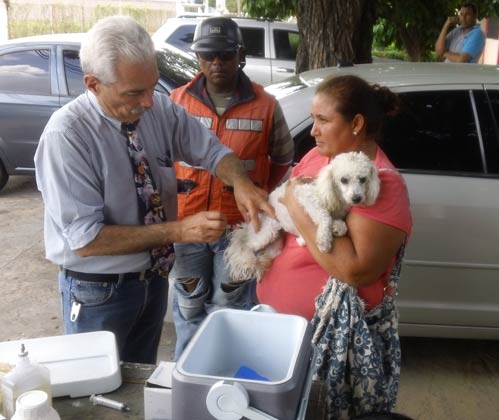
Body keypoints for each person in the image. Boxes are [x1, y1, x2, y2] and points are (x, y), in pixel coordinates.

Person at [34, 15, 273, 365]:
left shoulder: (157, 108)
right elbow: (86, 240)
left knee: (138, 382)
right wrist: (179, 230)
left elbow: (212, 151)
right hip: (98, 290)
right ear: (92, 84)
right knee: (96, 392)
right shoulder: (67, 136)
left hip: (153, 279)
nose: (148, 102)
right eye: (134, 92)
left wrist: (241, 183)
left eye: (151, 86)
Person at [168, 17, 294, 359]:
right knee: (189, 306)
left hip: (240, 228)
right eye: (208, 55)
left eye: (224, 55)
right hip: (187, 227)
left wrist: (260, 193)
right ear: (198, 57)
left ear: (240, 55)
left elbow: (283, 160)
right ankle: (188, 374)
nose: (216, 63)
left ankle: (221, 373)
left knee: (230, 307)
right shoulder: (176, 101)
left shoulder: (266, 105)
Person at [256, 74, 412, 322]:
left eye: (323, 120)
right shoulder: (318, 156)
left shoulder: (379, 182)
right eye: (313, 119)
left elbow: (355, 270)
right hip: (281, 320)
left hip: (329, 335)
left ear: (356, 123)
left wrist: (296, 206)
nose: (313, 130)